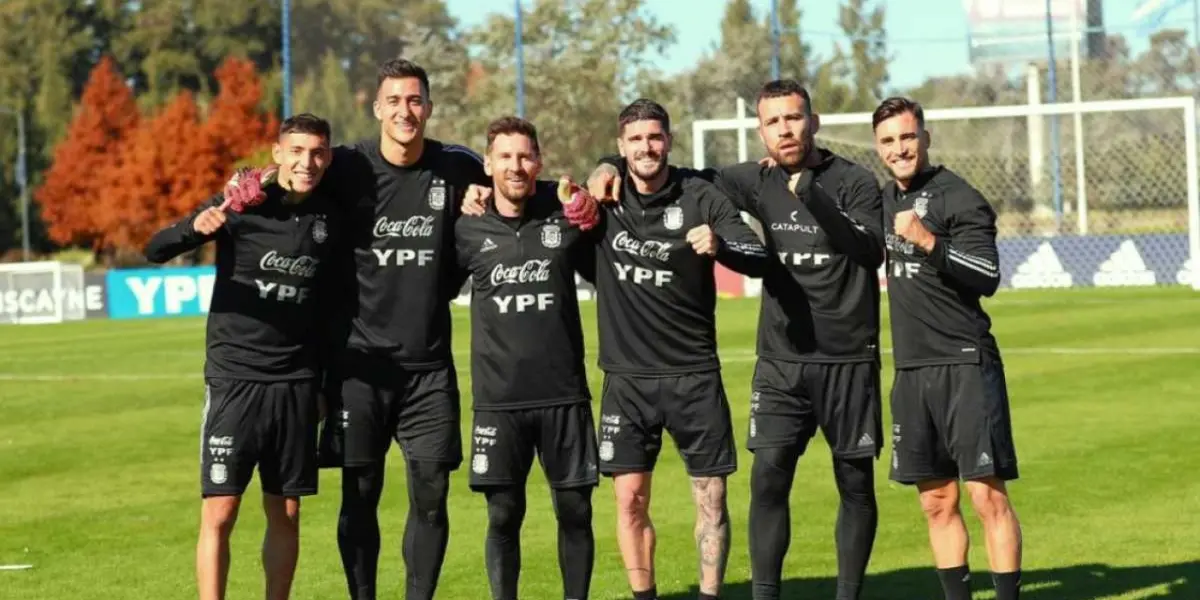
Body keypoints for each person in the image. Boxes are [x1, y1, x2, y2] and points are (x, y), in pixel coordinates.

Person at [589, 79, 886, 600]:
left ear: (812, 122)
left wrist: (808, 198)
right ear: (761, 131)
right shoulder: (752, 179)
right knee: (767, 480)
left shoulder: (855, 182)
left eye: (794, 118)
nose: (785, 129)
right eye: (773, 122)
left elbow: (868, 252)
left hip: (848, 358)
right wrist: (605, 164)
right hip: (780, 360)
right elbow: (665, 171)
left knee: (855, 484)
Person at [144, 113, 338, 600]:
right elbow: (155, 247)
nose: (306, 162)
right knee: (221, 509)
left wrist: (322, 384)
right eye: (296, 151)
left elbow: (330, 309)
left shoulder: (333, 215)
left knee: (286, 511)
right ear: (277, 153)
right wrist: (196, 226)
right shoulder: (241, 202)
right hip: (236, 380)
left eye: (316, 152)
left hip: (295, 383)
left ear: (328, 157)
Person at [317, 57, 491, 600]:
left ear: (429, 107)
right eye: (394, 101)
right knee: (360, 491)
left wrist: (603, 170)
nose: (405, 111)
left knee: (432, 495)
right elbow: (288, 182)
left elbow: (521, 175)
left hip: (428, 370)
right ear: (376, 109)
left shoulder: (458, 166)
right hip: (358, 369)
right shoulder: (345, 166)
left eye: (414, 100)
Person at [590, 99, 768, 600]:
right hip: (626, 381)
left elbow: (757, 256)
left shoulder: (700, 195)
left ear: (668, 140)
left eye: (655, 137)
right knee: (629, 500)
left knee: (711, 501)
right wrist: (600, 169)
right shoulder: (607, 196)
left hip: (694, 377)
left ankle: (711, 595)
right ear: (622, 146)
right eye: (636, 139)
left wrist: (721, 244)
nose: (647, 147)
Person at [872, 96, 1022, 600]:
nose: (900, 148)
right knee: (936, 502)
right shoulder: (883, 199)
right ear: (878, 148)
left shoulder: (961, 198)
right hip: (912, 372)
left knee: (986, 497)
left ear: (926, 137)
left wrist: (929, 243)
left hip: (966, 366)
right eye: (889, 141)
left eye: (908, 137)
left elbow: (988, 277)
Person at [454, 116, 601, 600]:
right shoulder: (466, 230)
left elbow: (609, 266)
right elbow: (427, 292)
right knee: (502, 514)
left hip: (564, 396)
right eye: (505, 157)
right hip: (499, 401)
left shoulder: (564, 219)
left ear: (538, 161)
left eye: (525, 156)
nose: (515, 166)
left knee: (575, 512)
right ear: (488, 163)